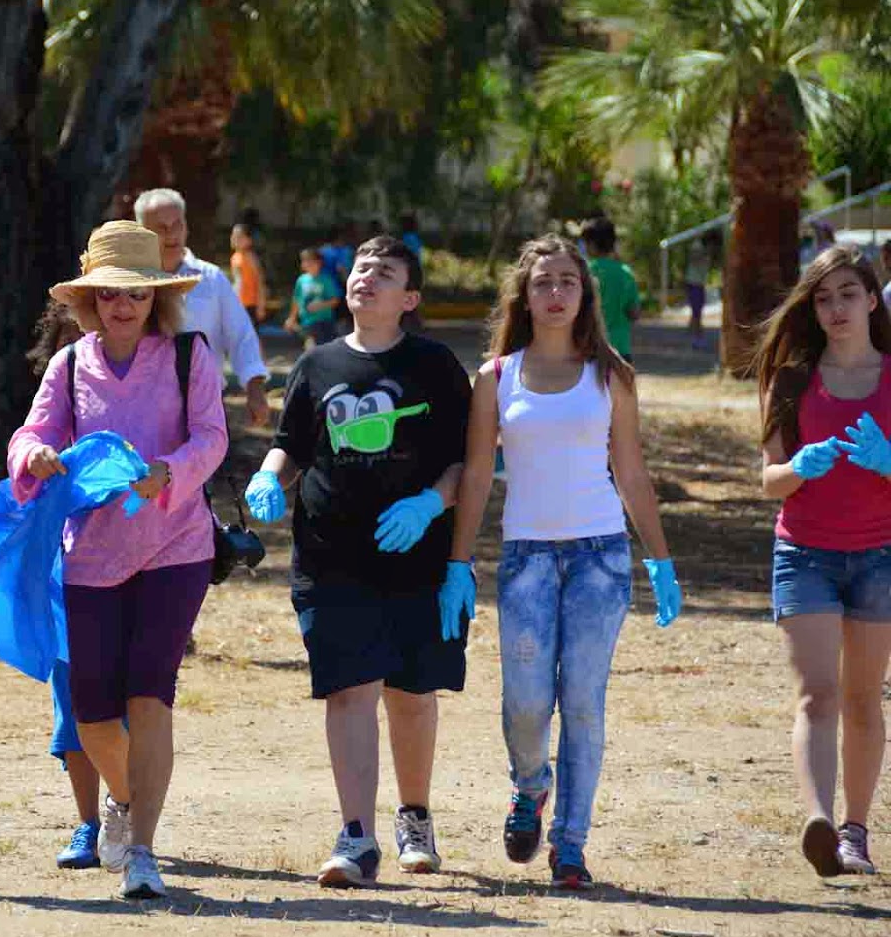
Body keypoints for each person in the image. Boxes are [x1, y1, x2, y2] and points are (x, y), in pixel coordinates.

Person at [441, 234, 683, 891]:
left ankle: (571, 845)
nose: (554, 293)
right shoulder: (496, 377)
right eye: (542, 282)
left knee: (581, 701)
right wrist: (457, 564)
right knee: (524, 701)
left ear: (585, 295)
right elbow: (478, 474)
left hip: (601, 559)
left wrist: (659, 560)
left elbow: (631, 474)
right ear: (526, 294)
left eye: (566, 282)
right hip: (525, 560)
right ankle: (531, 786)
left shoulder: (613, 375)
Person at [8, 220, 226, 900]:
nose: (121, 306)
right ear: (90, 301)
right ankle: (126, 803)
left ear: (156, 296)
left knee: (149, 691)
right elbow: (33, 433)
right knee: (93, 712)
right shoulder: (69, 364)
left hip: (175, 546)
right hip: (90, 554)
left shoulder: (191, 355)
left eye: (134, 293)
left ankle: (143, 852)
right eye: (107, 295)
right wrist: (33, 457)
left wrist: (171, 472)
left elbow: (213, 437)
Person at [244, 235, 470, 887]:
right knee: (349, 691)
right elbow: (291, 445)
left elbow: (467, 460)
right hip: (330, 553)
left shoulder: (433, 365)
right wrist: (267, 476)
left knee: (411, 694)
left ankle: (415, 816)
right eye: (361, 269)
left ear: (410, 297)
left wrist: (431, 504)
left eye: (385, 272)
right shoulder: (315, 366)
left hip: (414, 555)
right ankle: (356, 837)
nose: (367, 278)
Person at [753, 243, 891, 878]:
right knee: (817, 693)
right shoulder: (792, 379)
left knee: (864, 697)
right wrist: (796, 470)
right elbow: (769, 479)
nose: (836, 308)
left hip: (880, 556)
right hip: (804, 552)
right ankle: (820, 822)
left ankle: (856, 831)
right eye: (824, 297)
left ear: (871, 299)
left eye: (847, 294)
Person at [21, 301, 107, 868]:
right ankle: (88, 823)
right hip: (64, 571)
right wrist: (36, 459)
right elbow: (23, 470)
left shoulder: (157, 382)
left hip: (137, 558)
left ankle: (131, 817)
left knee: (128, 702)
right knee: (73, 703)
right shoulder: (63, 384)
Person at [134, 188, 270, 427]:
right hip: (139, 407)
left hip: (203, 410)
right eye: (161, 227)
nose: (171, 234)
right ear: (141, 232)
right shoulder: (127, 282)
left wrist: (255, 388)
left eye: (177, 224)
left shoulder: (211, 278)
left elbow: (241, 335)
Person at [580, 218, 640, 362]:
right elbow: (634, 313)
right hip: (621, 348)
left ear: (592, 245)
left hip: (591, 346)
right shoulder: (626, 273)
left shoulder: (585, 272)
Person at [287, 247, 343, 349]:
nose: (307, 264)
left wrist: (320, 305)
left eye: (310, 261)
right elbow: (296, 300)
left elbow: (335, 300)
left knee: (324, 349)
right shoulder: (301, 280)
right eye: (304, 261)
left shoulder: (326, 280)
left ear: (319, 262)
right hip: (307, 322)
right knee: (311, 348)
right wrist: (292, 318)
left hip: (324, 321)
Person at [684, 229, 719, 350]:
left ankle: (694, 334)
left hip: (699, 283)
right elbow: (693, 258)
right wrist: (705, 253)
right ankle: (696, 338)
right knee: (697, 312)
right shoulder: (698, 246)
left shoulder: (705, 249)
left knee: (697, 311)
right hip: (694, 283)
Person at [230, 223, 269, 324]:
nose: (235, 239)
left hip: (250, 304)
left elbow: (260, 281)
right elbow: (237, 281)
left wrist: (261, 305)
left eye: (239, 237)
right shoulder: (235, 257)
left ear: (249, 241)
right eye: (233, 235)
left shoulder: (251, 257)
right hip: (238, 304)